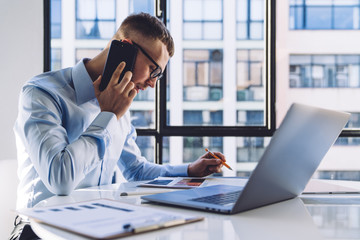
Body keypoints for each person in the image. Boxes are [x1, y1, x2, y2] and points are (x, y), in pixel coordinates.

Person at [10, 12, 225, 239]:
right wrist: (108, 115)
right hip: (38, 230)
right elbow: (60, 179)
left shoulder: (121, 104)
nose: (153, 83)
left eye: (159, 76)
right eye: (154, 71)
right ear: (125, 47)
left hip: (94, 226)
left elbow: (136, 170)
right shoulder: (42, 93)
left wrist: (189, 171)